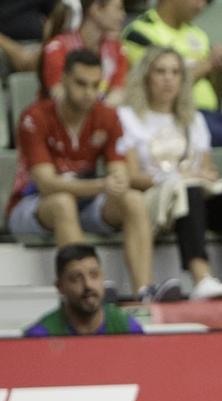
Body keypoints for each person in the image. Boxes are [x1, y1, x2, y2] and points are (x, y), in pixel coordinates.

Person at [119, 47, 222, 300]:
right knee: (189, 190)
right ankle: (201, 278)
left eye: (175, 72)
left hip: (192, 194)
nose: (168, 78)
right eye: (160, 72)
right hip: (153, 199)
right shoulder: (128, 117)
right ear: (145, 77)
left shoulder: (193, 118)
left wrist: (198, 176)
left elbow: (207, 169)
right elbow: (130, 175)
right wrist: (174, 178)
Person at [7, 50, 167, 302]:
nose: (89, 92)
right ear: (63, 80)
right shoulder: (34, 117)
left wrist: (118, 180)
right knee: (62, 203)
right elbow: (47, 184)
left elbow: (118, 171)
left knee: (133, 200)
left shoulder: (107, 116)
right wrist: (104, 184)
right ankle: (86, 294)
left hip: (86, 202)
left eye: (96, 85)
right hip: (33, 205)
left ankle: (144, 292)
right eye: (81, 84)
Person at [123, 0, 222, 145]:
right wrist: (209, 63)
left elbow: (219, 93)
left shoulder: (199, 34)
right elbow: (157, 83)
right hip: (173, 115)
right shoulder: (140, 32)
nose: (201, 6)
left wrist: (219, 70)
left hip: (211, 115)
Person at [25, 243, 145, 336]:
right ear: (60, 286)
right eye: (76, 278)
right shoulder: (41, 335)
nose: (88, 285)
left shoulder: (127, 328)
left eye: (94, 275)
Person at [41, 0, 129, 103]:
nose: (123, 15)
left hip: (102, 114)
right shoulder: (57, 48)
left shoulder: (117, 49)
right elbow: (58, 95)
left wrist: (102, 115)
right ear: (95, 9)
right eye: (118, 8)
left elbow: (118, 92)